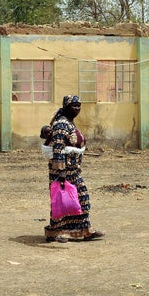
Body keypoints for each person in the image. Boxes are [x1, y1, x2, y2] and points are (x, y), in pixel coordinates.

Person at [44, 95, 104, 242]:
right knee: (61, 201)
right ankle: (56, 232)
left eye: (79, 105)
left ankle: (85, 230)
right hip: (64, 170)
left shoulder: (70, 123)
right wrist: (61, 171)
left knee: (81, 199)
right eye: (73, 106)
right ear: (66, 107)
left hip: (74, 169)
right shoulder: (61, 124)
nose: (77, 108)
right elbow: (58, 147)